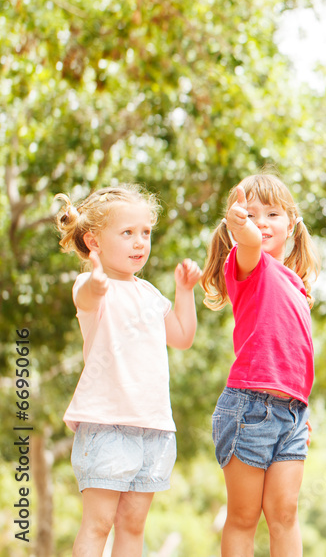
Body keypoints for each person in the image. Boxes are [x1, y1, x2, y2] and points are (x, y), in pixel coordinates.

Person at [55, 185, 202, 557]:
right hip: (107, 425)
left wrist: (184, 291)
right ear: (94, 242)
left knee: (133, 525)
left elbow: (182, 337)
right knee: (99, 523)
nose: (140, 242)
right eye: (127, 233)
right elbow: (86, 297)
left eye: (145, 232)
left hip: (153, 426)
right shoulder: (92, 287)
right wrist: (95, 284)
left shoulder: (150, 294)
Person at [201, 173, 320, 557]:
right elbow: (251, 241)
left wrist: (300, 407)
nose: (261, 223)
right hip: (249, 409)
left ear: (292, 224)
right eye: (251, 214)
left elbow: (295, 357)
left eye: (272, 214)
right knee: (244, 516)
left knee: (285, 513)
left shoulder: (297, 285)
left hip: (292, 415)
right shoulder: (248, 264)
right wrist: (242, 228)